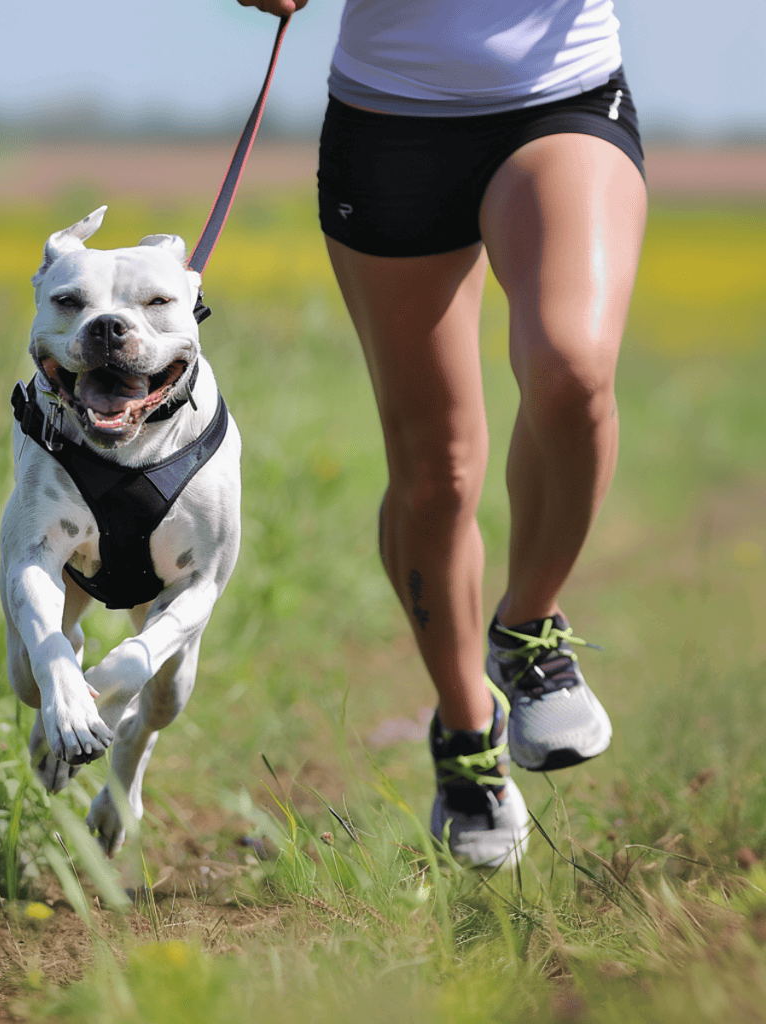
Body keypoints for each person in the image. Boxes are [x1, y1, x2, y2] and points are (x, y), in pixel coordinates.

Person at [237, 0, 647, 866]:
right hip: (390, 119)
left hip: (560, 97)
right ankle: (466, 735)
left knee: (572, 370)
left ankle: (529, 633)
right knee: (437, 474)